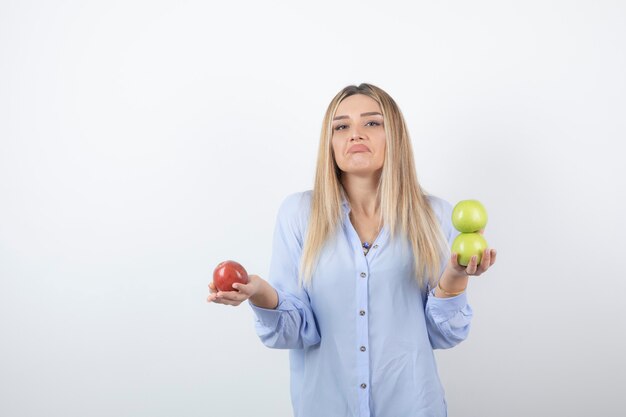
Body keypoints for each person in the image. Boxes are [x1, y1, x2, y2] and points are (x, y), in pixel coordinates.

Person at [207, 83, 497, 417]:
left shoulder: (436, 216)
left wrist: (454, 277)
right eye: (341, 126)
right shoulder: (299, 214)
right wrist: (259, 292)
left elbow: (444, 335)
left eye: (372, 123)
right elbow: (296, 331)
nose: (355, 134)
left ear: (395, 136)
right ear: (329, 143)